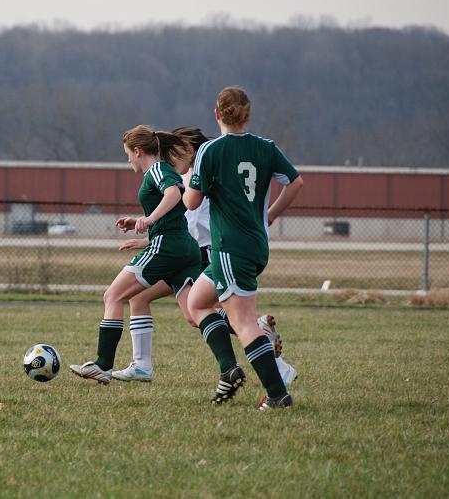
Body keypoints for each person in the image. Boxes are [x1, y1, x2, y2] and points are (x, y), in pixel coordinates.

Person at [113, 127, 298, 389]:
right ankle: (141, 365)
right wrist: (148, 239)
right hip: (193, 252)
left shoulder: (197, 175)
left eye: (172, 154)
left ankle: (271, 357)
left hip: (201, 254)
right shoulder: (203, 169)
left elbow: (188, 222)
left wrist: (149, 236)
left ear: (187, 150)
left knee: (203, 312)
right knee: (150, 299)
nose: (169, 161)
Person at [184, 87, 303, 410]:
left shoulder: (210, 150)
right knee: (197, 303)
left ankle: (278, 393)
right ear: (247, 114)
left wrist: (191, 183)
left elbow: (191, 201)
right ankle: (228, 367)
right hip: (255, 243)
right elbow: (296, 182)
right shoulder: (266, 147)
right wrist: (271, 214)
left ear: (216, 114)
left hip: (228, 247)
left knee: (244, 322)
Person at [69, 126, 201, 384]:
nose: (128, 159)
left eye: (127, 154)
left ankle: (103, 366)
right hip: (183, 247)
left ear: (138, 151)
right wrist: (140, 225)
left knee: (113, 295)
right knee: (196, 314)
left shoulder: (157, 170)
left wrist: (149, 218)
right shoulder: (161, 171)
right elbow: (173, 213)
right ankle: (254, 329)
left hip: (168, 247)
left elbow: (174, 194)